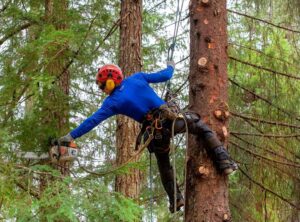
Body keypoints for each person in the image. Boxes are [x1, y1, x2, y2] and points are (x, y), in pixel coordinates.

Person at [59, 61, 237, 213]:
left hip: (155, 133)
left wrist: (70, 136)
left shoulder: (111, 102)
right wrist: (171, 66)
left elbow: (91, 121)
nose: (103, 90)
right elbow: (166, 75)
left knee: (164, 162)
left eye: (104, 85)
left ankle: (175, 199)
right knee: (201, 127)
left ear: (112, 81)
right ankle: (224, 163)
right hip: (171, 121)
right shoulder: (137, 78)